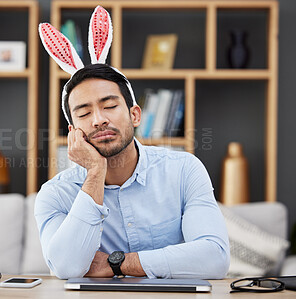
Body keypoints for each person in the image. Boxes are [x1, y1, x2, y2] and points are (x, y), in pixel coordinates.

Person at [35, 6, 230, 280]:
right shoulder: (55, 195)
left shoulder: (184, 170)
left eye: (109, 105)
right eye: (84, 113)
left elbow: (215, 258)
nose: (98, 120)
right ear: (73, 131)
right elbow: (67, 268)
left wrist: (119, 264)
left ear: (134, 114)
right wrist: (95, 173)